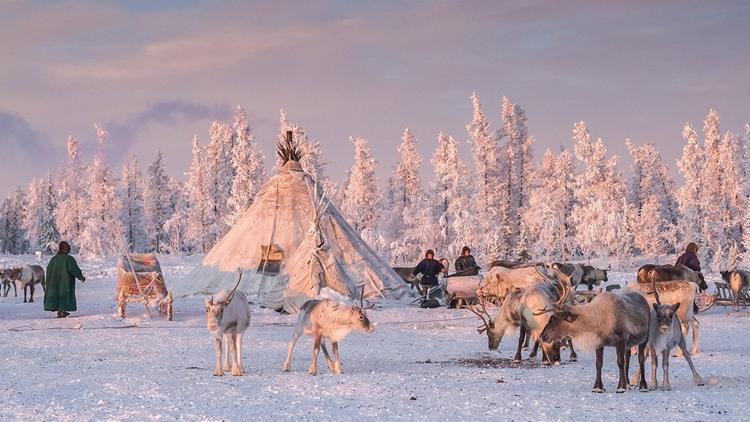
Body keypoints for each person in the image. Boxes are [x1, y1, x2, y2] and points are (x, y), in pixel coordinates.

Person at [44, 241, 85, 318]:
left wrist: (49, 281)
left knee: (57, 295)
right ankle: (62, 311)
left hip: (54, 283)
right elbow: (74, 269)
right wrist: (81, 277)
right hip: (65, 282)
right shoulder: (69, 259)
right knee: (64, 294)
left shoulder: (54, 259)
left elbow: (48, 269)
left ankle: (60, 311)